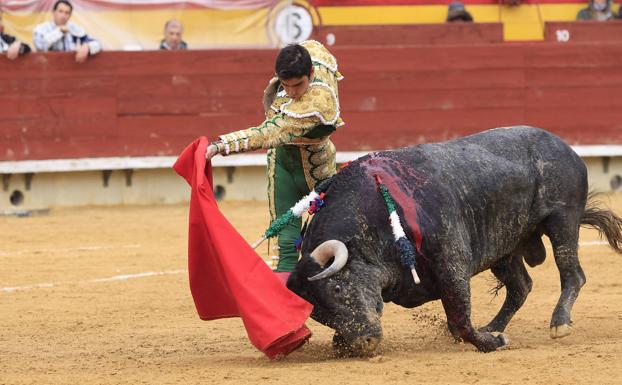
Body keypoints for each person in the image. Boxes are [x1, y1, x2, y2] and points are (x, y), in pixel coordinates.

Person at [205, 40, 343, 281]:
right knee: (286, 243)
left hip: (319, 170)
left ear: (310, 73)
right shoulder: (307, 57)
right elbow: (310, 47)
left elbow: (269, 133)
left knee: (329, 236)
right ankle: (286, 313)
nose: (291, 92)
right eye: (286, 85)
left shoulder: (317, 102)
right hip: (282, 166)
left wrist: (221, 145)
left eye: (298, 85)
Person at [33, 0, 101, 63]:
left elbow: (97, 43)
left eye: (67, 13)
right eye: (60, 11)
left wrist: (87, 46)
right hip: (48, 68)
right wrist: (59, 32)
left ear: (70, 15)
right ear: (53, 12)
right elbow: (40, 47)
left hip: (70, 69)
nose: (63, 16)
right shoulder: (42, 28)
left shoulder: (74, 29)